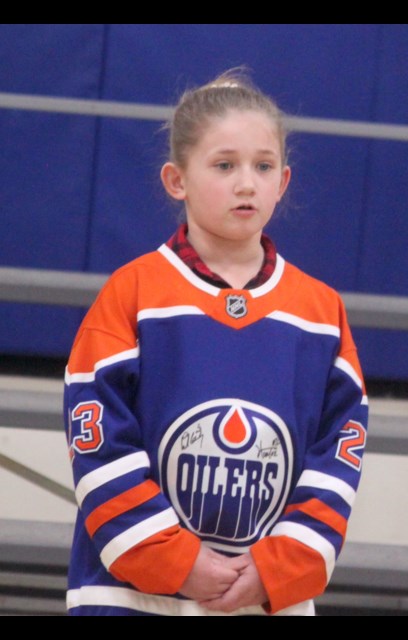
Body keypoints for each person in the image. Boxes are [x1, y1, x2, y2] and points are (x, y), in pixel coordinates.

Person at [62, 69, 368, 616]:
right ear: (176, 180)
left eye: (263, 166)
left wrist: (280, 566)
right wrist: (173, 560)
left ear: (284, 182)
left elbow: (338, 454)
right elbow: (98, 442)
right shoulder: (132, 294)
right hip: (130, 594)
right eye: (224, 165)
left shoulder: (321, 313)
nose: (246, 183)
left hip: (261, 596)